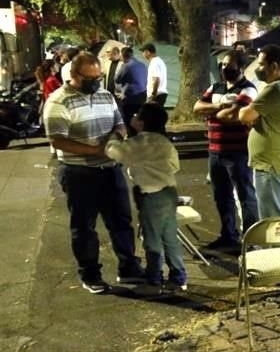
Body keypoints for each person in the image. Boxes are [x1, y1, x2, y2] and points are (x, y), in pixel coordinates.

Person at [43, 52, 145, 294]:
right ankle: (91, 275)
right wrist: (95, 150)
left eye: (98, 77)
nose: (95, 82)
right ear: (74, 76)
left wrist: (115, 138)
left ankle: (128, 267)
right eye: (89, 78)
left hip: (110, 169)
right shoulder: (58, 101)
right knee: (84, 227)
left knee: (121, 221)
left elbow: (120, 123)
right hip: (79, 172)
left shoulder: (105, 95)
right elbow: (58, 140)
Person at [104, 103, 187, 292]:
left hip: (151, 195)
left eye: (137, 114)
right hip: (168, 192)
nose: (133, 116)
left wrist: (115, 136)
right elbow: (175, 166)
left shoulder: (140, 143)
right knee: (170, 237)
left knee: (151, 239)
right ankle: (178, 277)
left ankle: (154, 280)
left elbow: (113, 151)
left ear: (141, 122)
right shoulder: (164, 141)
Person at [221, 45, 280, 219]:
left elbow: (244, 115)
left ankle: (275, 247)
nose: (258, 69)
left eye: (262, 64)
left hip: (271, 164)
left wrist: (244, 111)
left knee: (272, 218)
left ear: (274, 66)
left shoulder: (275, 89)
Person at [192, 52, 259, 249]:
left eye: (229, 66)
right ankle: (228, 235)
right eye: (222, 65)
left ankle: (251, 242)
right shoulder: (216, 87)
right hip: (215, 151)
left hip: (237, 152)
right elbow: (197, 107)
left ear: (241, 68)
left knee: (245, 196)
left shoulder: (248, 89)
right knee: (222, 196)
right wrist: (220, 105)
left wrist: (213, 111)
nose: (224, 69)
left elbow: (233, 115)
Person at [115, 47, 147, 128]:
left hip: (131, 98)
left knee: (128, 119)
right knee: (139, 118)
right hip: (142, 96)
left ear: (122, 55)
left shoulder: (126, 66)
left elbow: (117, 79)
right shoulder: (143, 65)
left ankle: (131, 136)